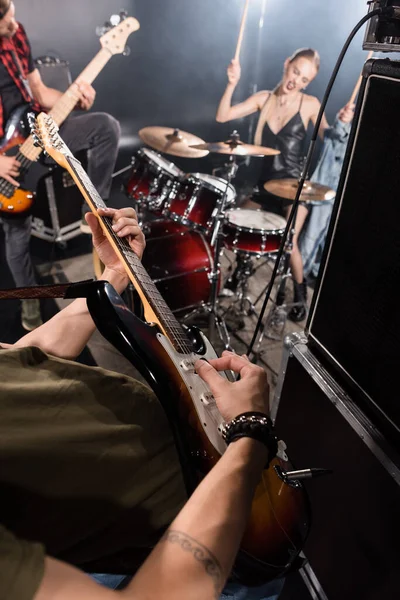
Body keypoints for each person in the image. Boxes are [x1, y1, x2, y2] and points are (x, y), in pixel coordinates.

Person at [0, 204, 284, 600]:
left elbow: (25, 357)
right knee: (269, 574)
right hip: (206, 536)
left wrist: (115, 275)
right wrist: (251, 435)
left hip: (205, 453)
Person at [0, 0, 120, 331]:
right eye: (5, 22)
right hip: (2, 155)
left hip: (31, 126)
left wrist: (73, 96)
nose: (14, 25)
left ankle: (92, 210)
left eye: (12, 15)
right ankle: (29, 303)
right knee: (16, 238)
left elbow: (38, 91)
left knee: (106, 127)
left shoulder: (17, 34)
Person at [216, 49, 354, 321]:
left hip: (294, 188)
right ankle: (235, 278)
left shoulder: (309, 104)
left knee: (290, 241)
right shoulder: (263, 98)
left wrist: (342, 121)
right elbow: (222, 116)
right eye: (295, 72)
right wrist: (231, 83)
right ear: (286, 64)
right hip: (264, 186)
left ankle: (300, 293)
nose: (296, 81)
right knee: (236, 222)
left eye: (304, 79)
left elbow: (329, 135)